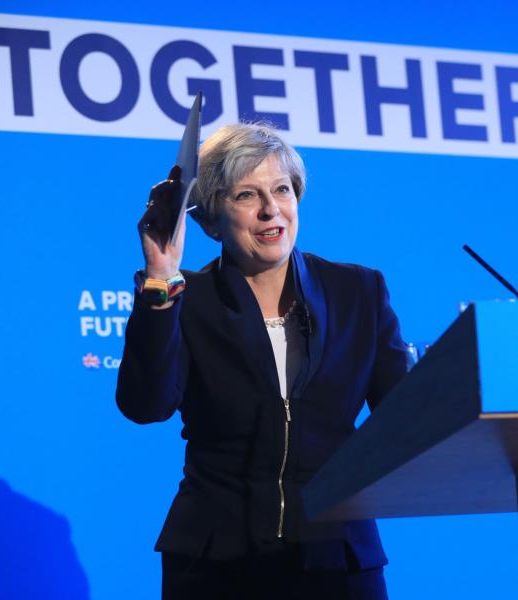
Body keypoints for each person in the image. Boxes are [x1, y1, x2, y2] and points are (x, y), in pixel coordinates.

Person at [116, 123, 407, 599]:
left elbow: (406, 416)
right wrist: (161, 280)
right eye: (247, 195)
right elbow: (145, 406)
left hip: (337, 556)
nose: (272, 210)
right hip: (215, 561)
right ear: (210, 220)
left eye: (282, 190)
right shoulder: (185, 299)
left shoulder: (358, 292)